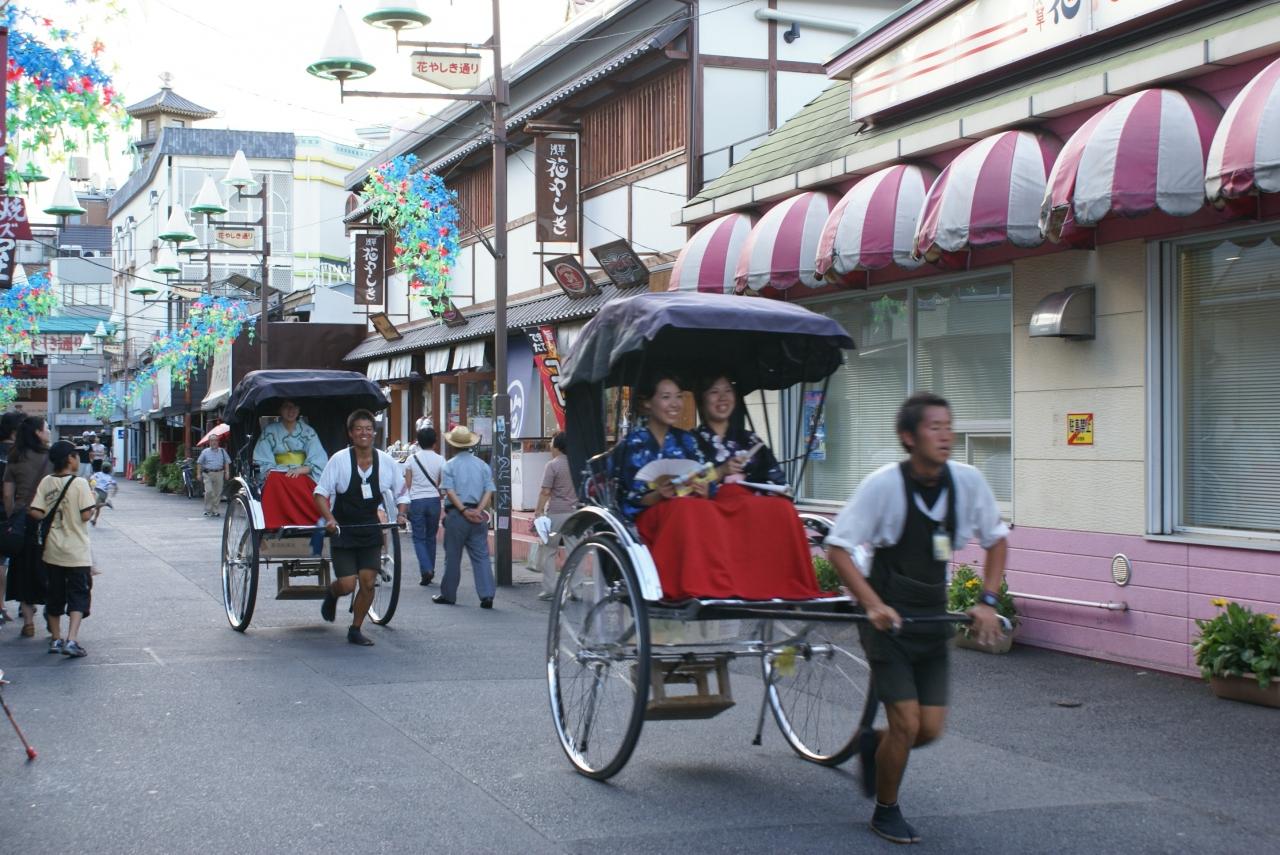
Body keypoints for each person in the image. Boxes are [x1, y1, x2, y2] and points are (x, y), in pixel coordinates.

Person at [824, 392, 1008, 845]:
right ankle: (886, 812)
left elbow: (997, 540)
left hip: (932, 621)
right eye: (934, 427)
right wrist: (872, 604)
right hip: (887, 623)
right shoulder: (883, 486)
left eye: (949, 426)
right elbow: (838, 548)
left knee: (928, 730)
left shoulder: (967, 482)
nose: (946, 435)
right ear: (908, 437)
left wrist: (987, 600)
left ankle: (876, 745)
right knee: (906, 723)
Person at [616, 375, 820, 601]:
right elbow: (629, 496)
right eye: (666, 397)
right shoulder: (633, 443)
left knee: (777, 509)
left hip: (692, 503)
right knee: (690, 510)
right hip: (652, 510)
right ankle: (695, 584)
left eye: (678, 397)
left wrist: (703, 489)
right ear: (647, 403)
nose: (674, 403)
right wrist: (658, 494)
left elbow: (703, 478)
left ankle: (763, 583)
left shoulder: (686, 441)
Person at [313, 409, 408, 646]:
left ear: (374, 433)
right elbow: (320, 494)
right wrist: (330, 519)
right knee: (347, 585)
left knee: (367, 582)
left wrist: (401, 514)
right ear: (351, 433)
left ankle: (355, 628)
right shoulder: (339, 460)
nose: (364, 433)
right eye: (358, 429)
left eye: (368, 429)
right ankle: (333, 592)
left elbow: (402, 492)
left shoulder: (386, 462)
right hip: (343, 530)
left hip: (369, 530)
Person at [29, 440, 97, 657]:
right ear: (70, 458)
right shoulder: (80, 484)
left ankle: (56, 639)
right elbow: (86, 515)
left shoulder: (46, 482)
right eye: (76, 455)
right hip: (76, 551)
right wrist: (93, 501)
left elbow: (36, 511)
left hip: (52, 549)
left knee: (54, 595)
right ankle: (72, 639)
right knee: (79, 594)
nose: (78, 459)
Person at [434, 425, 496, 609]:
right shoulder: (482, 465)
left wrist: (462, 510)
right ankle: (487, 594)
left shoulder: (449, 465)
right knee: (481, 556)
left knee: (453, 557)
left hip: (457, 515)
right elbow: (489, 490)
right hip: (478, 515)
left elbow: (449, 491)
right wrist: (479, 510)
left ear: (452, 445)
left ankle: (449, 594)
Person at [3, 416, 52, 638]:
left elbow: (7, 494)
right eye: (46, 428)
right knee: (50, 566)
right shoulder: (51, 457)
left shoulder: (15, 457)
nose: (48, 431)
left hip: (23, 520)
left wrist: (13, 516)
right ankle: (52, 618)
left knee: (23, 569)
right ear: (37, 433)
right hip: (48, 518)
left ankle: (29, 622)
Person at [692, 374, 787, 489]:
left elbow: (778, 481)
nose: (723, 397)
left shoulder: (751, 439)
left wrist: (746, 479)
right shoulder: (689, 440)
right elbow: (684, 487)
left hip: (749, 499)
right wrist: (721, 471)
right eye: (714, 392)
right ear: (701, 399)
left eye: (728, 390)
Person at [254, 399, 328, 528]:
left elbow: (318, 458)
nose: (291, 411)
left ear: (299, 410)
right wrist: (282, 470)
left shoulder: (308, 431)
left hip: (304, 472)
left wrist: (301, 470)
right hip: (278, 472)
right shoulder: (269, 431)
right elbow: (262, 459)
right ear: (280, 410)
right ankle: (275, 522)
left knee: (302, 483)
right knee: (274, 479)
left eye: (295, 407)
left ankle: (311, 520)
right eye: (287, 407)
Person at [533, 431, 578, 601]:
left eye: (551, 443)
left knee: (549, 551)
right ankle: (576, 589)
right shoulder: (577, 464)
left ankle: (550, 589)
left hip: (556, 514)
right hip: (575, 513)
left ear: (557, 446)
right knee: (575, 551)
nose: (550, 446)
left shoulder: (552, 465)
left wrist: (538, 510)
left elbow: (546, 491)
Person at [403, 426, 444, 586]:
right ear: (435, 442)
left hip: (416, 501)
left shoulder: (411, 459)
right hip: (434, 500)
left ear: (418, 442)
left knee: (419, 538)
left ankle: (426, 569)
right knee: (431, 538)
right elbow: (441, 483)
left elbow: (408, 484)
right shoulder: (440, 459)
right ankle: (429, 571)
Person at [0, 411, 22, 626]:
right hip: (16, 513)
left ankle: (0, 606)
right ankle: (27, 605)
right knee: (22, 558)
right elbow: (9, 493)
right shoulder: (21, 454)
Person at [196, 434, 231, 518]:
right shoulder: (205, 452)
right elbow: (199, 463)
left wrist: (227, 472)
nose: (214, 442)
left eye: (215, 440)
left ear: (218, 442)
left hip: (219, 473)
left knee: (217, 493)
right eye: (212, 440)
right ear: (209, 442)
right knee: (209, 491)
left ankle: (215, 510)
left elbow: (226, 462)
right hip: (208, 474)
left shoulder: (222, 451)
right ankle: (207, 510)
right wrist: (198, 474)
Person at [88, 459, 117, 526]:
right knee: (98, 507)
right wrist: (114, 493)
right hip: (104, 494)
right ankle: (94, 520)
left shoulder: (97, 474)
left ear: (101, 468)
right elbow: (115, 486)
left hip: (97, 491)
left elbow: (90, 479)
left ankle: (106, 504)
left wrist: (90, 486)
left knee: (94, 506)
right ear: (110, 470)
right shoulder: (109, 477)